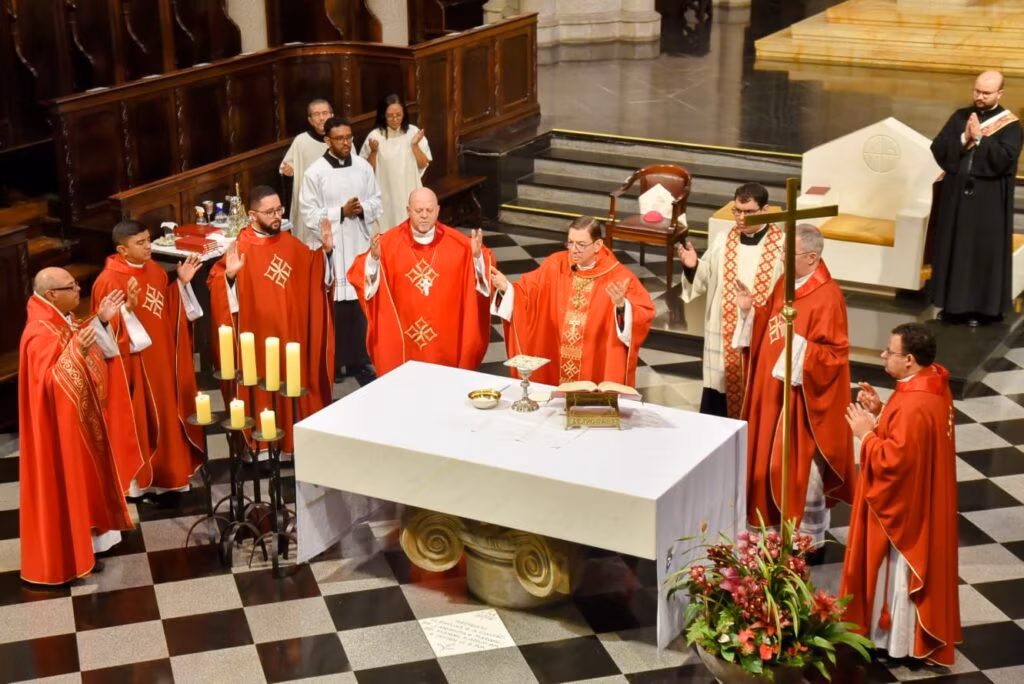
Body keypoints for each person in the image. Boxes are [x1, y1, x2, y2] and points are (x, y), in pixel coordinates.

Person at [841, 323, 960, 666]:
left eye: (889, 351)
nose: (882, 355)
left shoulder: (914, 403)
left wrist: (865, 435)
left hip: (906, 513)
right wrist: (881, 412)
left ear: (909, 359)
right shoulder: (932, 383)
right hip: (926, 498)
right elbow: (911, 442)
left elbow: (894, 461)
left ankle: (896, 643)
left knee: (897, 576)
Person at [19, 268, 142, 585]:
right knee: (66, 484)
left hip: (76, 421)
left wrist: (99, 321)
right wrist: (78, 351)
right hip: (56, 432)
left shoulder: (56, 318)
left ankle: (91, 545)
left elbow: (72, 344)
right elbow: (49, 383)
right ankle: (68, 557)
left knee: (86, 480)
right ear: (51, 295)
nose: (78, 290)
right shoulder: (38, 332)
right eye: (71, 287)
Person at [734, 224, 853, 548]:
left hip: (798, 398)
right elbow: (769, 323)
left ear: (813, 256)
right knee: (763, 456)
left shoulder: (828, 297)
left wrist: (799, 346)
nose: (782, 259)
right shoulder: (786, 281)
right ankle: (764, 531)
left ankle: (804, 538)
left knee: (795, 465)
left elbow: (834, 355)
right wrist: (750, 311)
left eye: (790, 253)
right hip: (768, 390)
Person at [208, 185, 335, 451]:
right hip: (258, 339)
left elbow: (313, 271)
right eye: (270, 212)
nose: (277, 216)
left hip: (291, 335)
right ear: (252, 216)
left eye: (279, 209)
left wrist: (326, 254)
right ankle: (262, 448)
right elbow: (217, 285)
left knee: (292, 384)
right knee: (263, 386)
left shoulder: (289, 242)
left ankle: (292, 442)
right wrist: (229, 278)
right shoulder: (239, 247)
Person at [91, 219, 204, 496]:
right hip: (135, 365)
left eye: (148, 239)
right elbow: (101, 330)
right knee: (141, 419)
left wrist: (181, 285)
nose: (148, 246)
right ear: (122, 249)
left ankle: (169, 471)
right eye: (140, 243)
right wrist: (126, 310)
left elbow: (165, 309)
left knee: (167, 413)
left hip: (163, 358)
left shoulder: (155, 270)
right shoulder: (109, 280)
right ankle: (139, 484)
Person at [490, 216, 655, 387]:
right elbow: (529, 291)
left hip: (593, 361)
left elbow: (644, 313)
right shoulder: (556, 264)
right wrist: (507, 288)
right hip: (555, 354)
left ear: (598, 245)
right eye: (570, 242)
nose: (574, 250)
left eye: (581, 244)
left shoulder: (618, 277)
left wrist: (622, 306)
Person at [348, 187, 492, 375]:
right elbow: (359, 274)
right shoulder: (389, 243)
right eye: (418, 210)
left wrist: (477, 257)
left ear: (438, 210)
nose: (424, 215)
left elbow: (485, 276)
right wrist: (374, 260)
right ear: (408, 210)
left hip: (446, 340)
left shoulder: (459, 244)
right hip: (404, 341)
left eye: (429, 210)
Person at [678, 182, 784, 418]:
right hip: (722, 336)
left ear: (764, 210)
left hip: (759, 334)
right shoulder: (724, 239)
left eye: (748, 212)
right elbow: (706, 277)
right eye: (737, 211)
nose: (741, 218)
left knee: (755, 399)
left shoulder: (781, 246)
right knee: (719, 394)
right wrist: (693, 266)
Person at [929, 70, 1021, 326]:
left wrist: (980, 138)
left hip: (988, 201)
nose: (979, 97)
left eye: (986, 93)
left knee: (981, 252)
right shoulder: (960, 116)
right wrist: (964, 138)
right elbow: (938, 146)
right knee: (954, 248)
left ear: (999, 94)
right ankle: (952, 305)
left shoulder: (1010, 124)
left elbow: (1005, 159)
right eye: (976, 91)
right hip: (956, 198)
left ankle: (982, 309)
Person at [301, 116, 382, 385]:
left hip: (358, 243)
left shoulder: (362, 167)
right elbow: (308, 214)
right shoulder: (315, 173)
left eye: (349, 137)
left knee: (359, 306)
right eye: (340, 138)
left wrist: (362, 210)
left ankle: (360, 360)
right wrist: (340, 212)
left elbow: (376, 201)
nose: (347, 143)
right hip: (332, 247)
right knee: (336, 307)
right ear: (327, 140)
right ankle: (334, 363)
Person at [359, 94, 432, 233]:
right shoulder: (375, 136)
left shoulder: (413, 132)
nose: (395, 119)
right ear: (383, 115)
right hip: (387, 194)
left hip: (409, 189)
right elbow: (365, 171)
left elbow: (423, 163)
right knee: (390, 232)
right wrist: (373, 152)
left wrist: (415, 145)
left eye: (398, 115)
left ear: (404, 113)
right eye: (390, 116)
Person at [280, 98, 333, 243]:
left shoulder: (341, 138)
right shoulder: (301, 141)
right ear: (310, 120)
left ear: (332, 115)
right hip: (310, 202)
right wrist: (288, 171)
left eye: (325, 113)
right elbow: (285, 166)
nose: (321, 118)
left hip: (335, 201)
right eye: (316, 114)